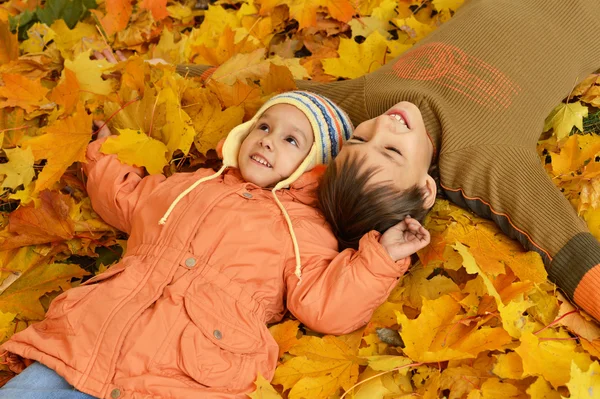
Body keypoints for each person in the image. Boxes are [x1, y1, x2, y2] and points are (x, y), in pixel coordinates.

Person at [178, 0, 600, 322]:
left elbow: (264, 92)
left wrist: (172, 72)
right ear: (426, 189)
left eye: (360, 138)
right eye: (392, 150)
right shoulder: (485, 160)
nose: (385, 126)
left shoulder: (365, 104)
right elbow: (569, 250)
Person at [0, 91, 430, 398]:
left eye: (291, 140)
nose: (267, 139)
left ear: (313, 166)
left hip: (187, 376)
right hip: (86, 342)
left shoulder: (306, 230)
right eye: (264, 125)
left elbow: (327, 304)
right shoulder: (189, 187)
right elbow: (125, 196)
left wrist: (381, 259)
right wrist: (102, 155)